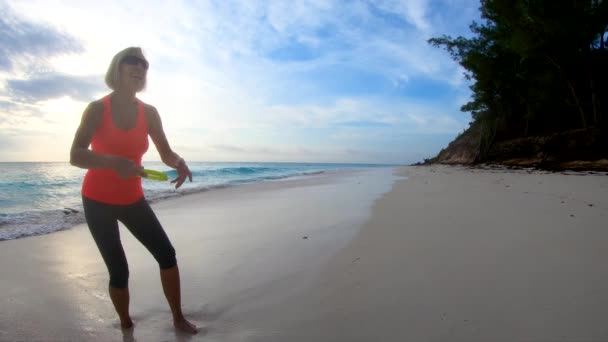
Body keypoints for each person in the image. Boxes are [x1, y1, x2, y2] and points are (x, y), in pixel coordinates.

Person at [70, 47, 197, 334]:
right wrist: (112, 162)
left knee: (166, 254)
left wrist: (178, 162)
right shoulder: (97, 109)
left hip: (132, 199)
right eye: (132, 61)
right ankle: (126, 324)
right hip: (97, 200)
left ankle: (178, 317)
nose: (140, 67)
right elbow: (75, 155)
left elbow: (165, 152)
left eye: (144, 64)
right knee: (119, 270)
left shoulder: (149, 113)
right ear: (118, 68)